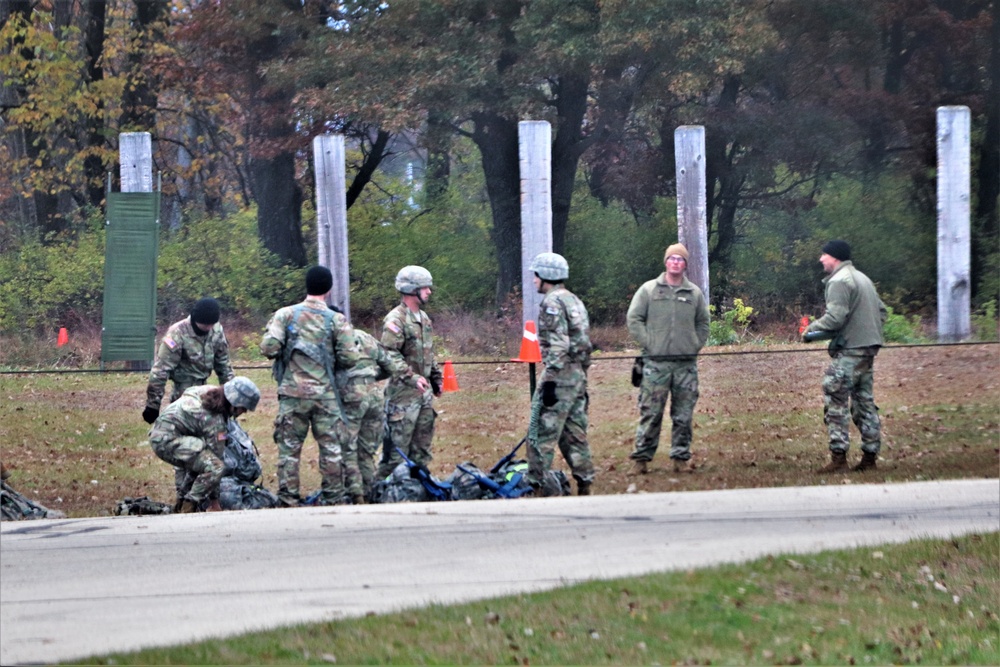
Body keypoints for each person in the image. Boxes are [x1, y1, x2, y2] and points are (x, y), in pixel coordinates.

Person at [260, 266, 361, 506]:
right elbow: (350, 358)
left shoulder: (285, 315)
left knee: (289, 450)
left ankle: (288, 499)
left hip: (292, 395)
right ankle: (334, 498)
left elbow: (268, 348)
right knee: (331, 449)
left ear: (306, 286)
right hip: (325, 396)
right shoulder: (336, 320)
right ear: (328, 289)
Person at [803, 240, 887, 473]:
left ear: (835, 257)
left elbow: (835, 318)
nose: (821, 259)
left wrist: (809, 330)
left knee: (836, 401)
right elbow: (882, 312)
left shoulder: (839, 281)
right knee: (864, 403)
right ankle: (870, 457)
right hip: (868, 350)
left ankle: (838, 458)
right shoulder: (863, 279)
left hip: (850, 352)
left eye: (824, 255)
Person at [626, 243, 710, 474]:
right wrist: (650, 343)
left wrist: (694, 344)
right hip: (655, 366)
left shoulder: (693, 293)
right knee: (651, 414)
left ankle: (680, 459)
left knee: (683, 416)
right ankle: (641, 459)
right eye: (672, 258)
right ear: (666, 262)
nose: (675, 262)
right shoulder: (649, 290)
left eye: (680, 259)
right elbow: (634, 319)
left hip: (685, 367)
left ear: (685, 264)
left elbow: (703, 323)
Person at [143, 297, 235, 507]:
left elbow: (224, 366)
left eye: (211, 325)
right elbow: (160, 370)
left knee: (213, 448)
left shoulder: (216, 332)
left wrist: (231, 397)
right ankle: (182, 499)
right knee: (187, 453)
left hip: (207, 395)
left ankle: (208, 498)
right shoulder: (177, 334)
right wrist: (153, 404)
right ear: (195, 320)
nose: (208, 329)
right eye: (204, 326)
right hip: (183, 397)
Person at [525, 252, 595, 496]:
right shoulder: (573, 300)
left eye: (536, 275)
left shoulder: (552, 303)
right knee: (574, 433)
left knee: (540, 432)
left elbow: (558, 346)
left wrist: (552, 381)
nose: (534, 280)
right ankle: (585, 484)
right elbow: (584, 342)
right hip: (577, 376)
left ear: (546, 276)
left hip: (560, 375)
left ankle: (534, 486)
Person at [148, 376, 260, 513]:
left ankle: (181, 502)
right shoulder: (215, 422)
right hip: (167, 441)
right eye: (243, 408)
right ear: (234, 403)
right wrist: (215, 501)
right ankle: (188, 506)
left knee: (202, 459)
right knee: (215, 466)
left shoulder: (209, 391)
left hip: (161, 434)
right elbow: (217, 462)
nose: (244, 412)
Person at [376, 266, 443, 479]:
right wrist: (411, 377)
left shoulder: (423, 318)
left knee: (421, 452)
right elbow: (388, 355)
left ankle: (419, 488)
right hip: (402, 398)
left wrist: (435, 376)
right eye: (425, 287)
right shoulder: (396, 320)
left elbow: (428, 352)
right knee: (396, 454)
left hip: (423, 397)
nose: (429, 292)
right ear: (412, 289)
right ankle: (383, 492)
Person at [336, 328, 397, 502]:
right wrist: (369, 376)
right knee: (366, 450)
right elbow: (390, 366)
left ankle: (355, 494)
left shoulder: (336, 339)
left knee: (347, 448)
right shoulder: (366, 336)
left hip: (351, 395)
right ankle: (370, 493)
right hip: (374, 395)